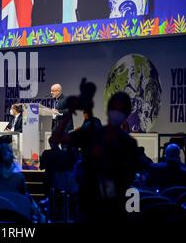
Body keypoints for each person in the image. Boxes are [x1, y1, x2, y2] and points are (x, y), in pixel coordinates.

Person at [52, 91, 138, 222]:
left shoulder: (128, 143)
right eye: (114, 108)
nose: (117, 112)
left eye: (121, 109)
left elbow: (128, 175)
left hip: (113, 205)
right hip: (90, 202)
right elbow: (57, 138)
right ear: (109, 110)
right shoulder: (93, 134)